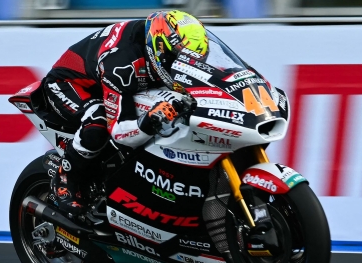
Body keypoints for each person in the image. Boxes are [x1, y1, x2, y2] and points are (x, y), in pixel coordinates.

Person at [43, 10, 288, 218]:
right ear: (159, 49)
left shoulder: (172, 47)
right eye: (176, 59)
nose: (181, 63)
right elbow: (120, 132)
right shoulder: (121, 65)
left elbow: (210, 74)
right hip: (72, 84)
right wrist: (150, 121)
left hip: (121, 79)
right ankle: (67, 180)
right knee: (97, 120)